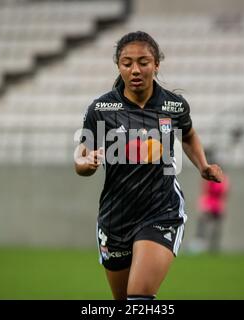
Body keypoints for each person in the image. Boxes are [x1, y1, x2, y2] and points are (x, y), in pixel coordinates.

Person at [74, 31, 223, 300]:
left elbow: (187, 133)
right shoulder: (101, 109)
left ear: (156, 64)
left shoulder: (173, 105)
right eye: (127, 62)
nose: (135, 70)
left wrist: (202, 165)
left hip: (160, 210)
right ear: (118, 66)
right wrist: (86, 163)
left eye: (143, 62)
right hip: (115, 216)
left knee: (139, 297)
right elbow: (80, 156)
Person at [192, 161, 230, 254]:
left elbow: (224, 193)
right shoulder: (211, 178)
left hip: (216, 206)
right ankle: (200, 245)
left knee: (216, 228)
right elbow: (206, 191)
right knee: (203, 225)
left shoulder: (223, 180)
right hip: (210, 205)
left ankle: (213, 247)